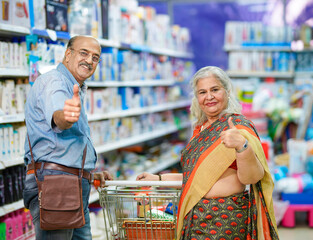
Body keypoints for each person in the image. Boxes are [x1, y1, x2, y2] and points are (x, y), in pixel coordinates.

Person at [136, 66, 279, 240]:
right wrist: (158, 179)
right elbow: (195, 178)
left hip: (227, 220)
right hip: (195, 220)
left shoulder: (238, 126)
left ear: (227, 91)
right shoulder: (199, 130)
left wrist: (242, 146)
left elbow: (252, 178)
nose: (209, 97)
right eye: (202, 92)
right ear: (197, 98)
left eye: (215, 90)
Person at [23, 35, 113, 240]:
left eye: (95, 57)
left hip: (71, 183)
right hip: (57, 186)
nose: (89, 60)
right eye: (84, 53)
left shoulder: (73, 86)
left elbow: (66, 146)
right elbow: (58, 118)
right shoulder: (55, 81)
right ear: (68, 54)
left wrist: (87, 173)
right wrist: (66, 117)